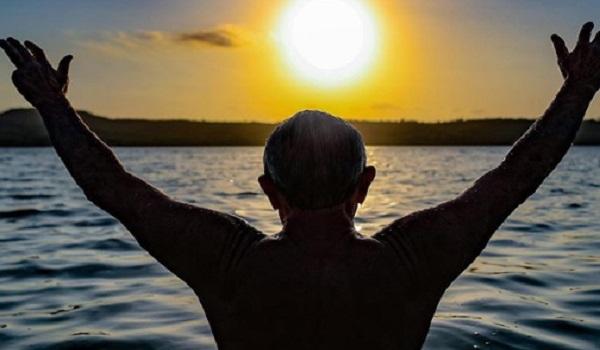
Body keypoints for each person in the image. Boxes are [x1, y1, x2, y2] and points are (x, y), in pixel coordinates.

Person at [1, 22, 600, 350]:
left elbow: (110, 185)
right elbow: (517, 176)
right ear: (365, 185)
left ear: (268, 191)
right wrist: (577, 92)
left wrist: (52, 105)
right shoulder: (412, 262)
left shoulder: (227, 262)